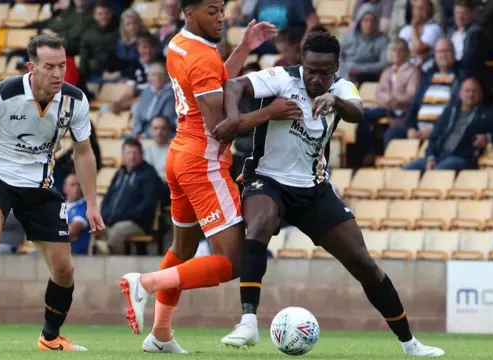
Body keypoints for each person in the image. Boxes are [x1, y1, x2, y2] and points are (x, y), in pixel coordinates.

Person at [216, 31, 445, 357]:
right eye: (310, 70)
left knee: (364, 263)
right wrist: (234, 119)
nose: (316, 78)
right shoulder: (282, 78)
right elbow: (235, 85)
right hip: (268, 179)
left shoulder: (341, 89)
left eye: (324, 72)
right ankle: (248, 322)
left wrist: (335, 101)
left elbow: (356, 111)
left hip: (313, 189)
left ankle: (411, 344)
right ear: (302, 64)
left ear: (335, 67)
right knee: (260, 224)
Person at [118, 0, 298, 354]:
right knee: (233, 262)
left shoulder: (178, 43)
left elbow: (217, 84)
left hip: (180, 155)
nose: (221, 18)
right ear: (189, 11)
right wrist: (270, 113)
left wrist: (245, 47)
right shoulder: (200, 56)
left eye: (222, 10)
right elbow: (221, 128)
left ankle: (161, 335)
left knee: (182, 248)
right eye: (212, 11)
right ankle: (147, 282)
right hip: (204, 162)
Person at [0, 34, 105, 352]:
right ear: (33, 67)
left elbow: (84, 153)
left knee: (64, 268)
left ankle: (50, 337)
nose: (58, 73)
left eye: (62, 65)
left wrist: (91, 203)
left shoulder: (75, 100)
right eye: (50, 67)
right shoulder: (4, 94)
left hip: (40, 185)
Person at [63, 174, 91, 255]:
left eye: (79, 185)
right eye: (72, 185)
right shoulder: (58, 206)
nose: (77, 188)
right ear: (65, 188)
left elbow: (72, 230)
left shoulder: (85, 207)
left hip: (75, 253)